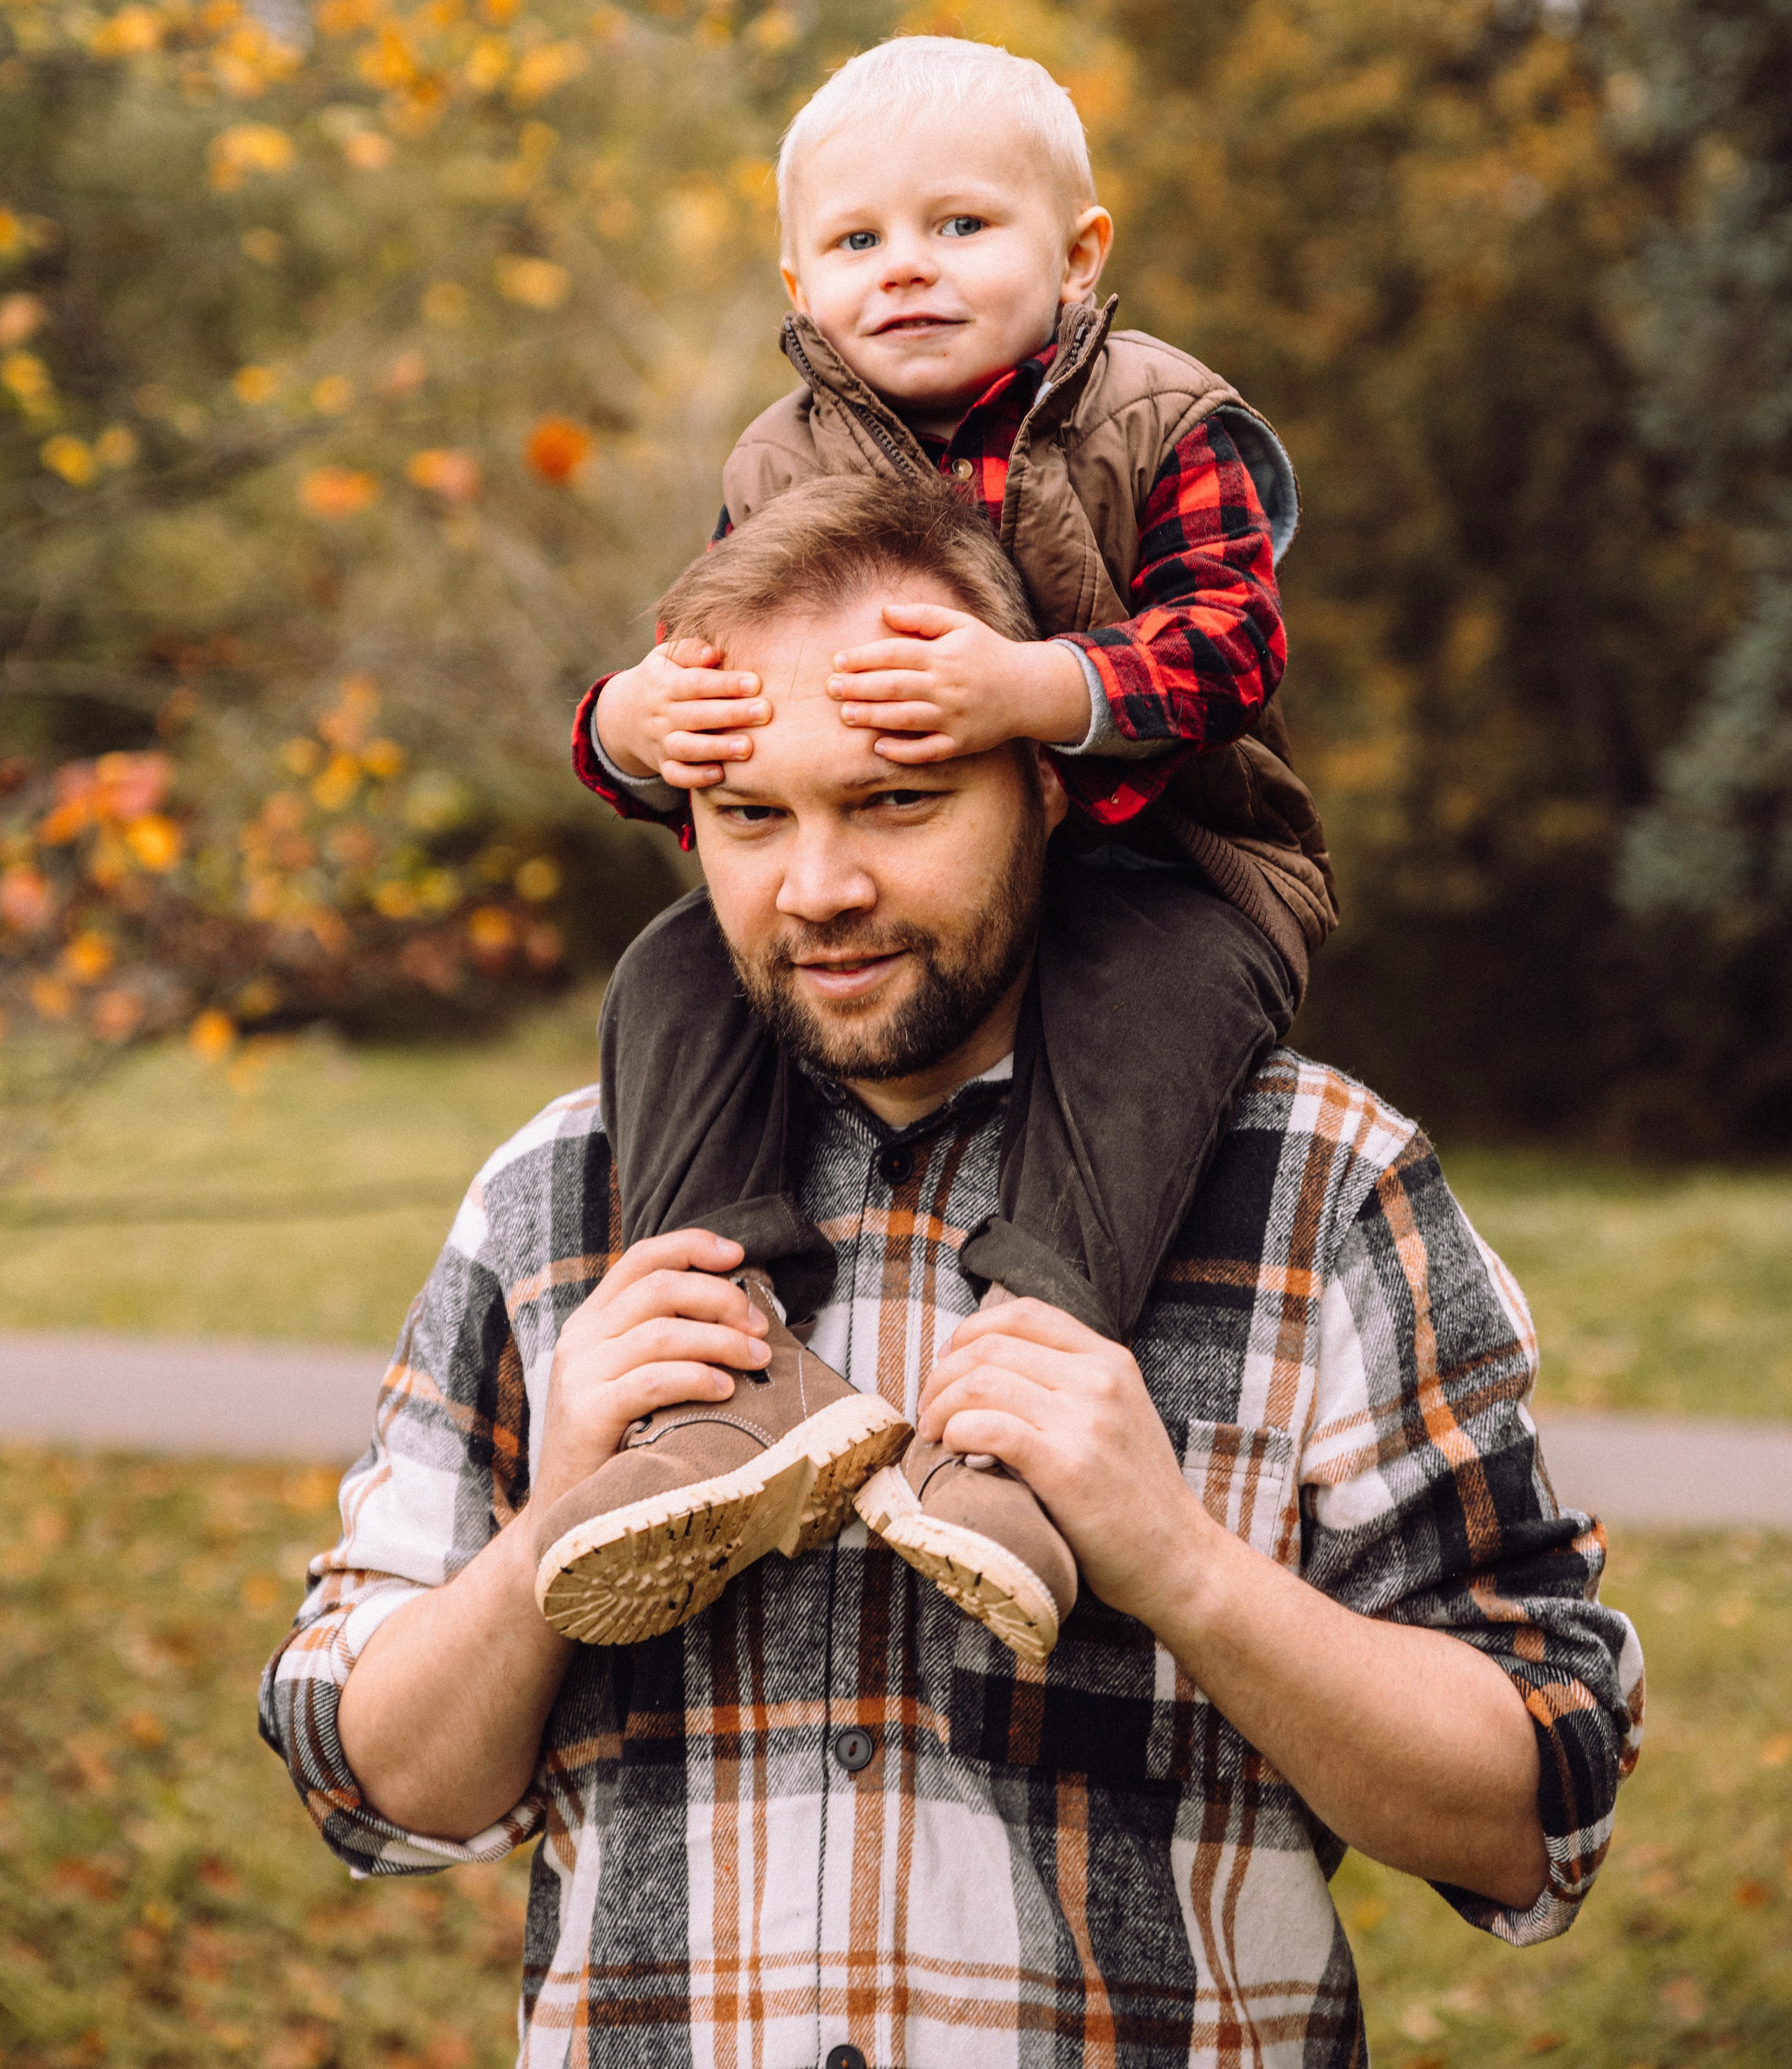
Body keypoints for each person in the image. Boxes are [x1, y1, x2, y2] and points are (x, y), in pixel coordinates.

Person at [260, 482, 1643, 2069]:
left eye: (898, 801)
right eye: (752, 817)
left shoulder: (1318, 1188)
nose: (818, 888)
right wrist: (553, 1530)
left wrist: (1178, 1563)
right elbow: (370, 1784)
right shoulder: (558, 1200)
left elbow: (1538, 1805)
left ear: (1050, 790)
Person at [565, 35, 1336, 1646]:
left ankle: (1012, 1439)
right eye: (856, 242)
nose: (904, 267)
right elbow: (726, 686)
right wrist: (628, 729)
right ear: (797, 277)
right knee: (674, 971)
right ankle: (729, 1381)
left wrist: (1034, 687)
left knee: (1149, 1000)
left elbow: (1229, 650)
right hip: (911, 866)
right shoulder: (776, 463)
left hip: (1166, 853)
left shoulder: (1155, 415)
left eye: (961, 227)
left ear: (1078, 252)